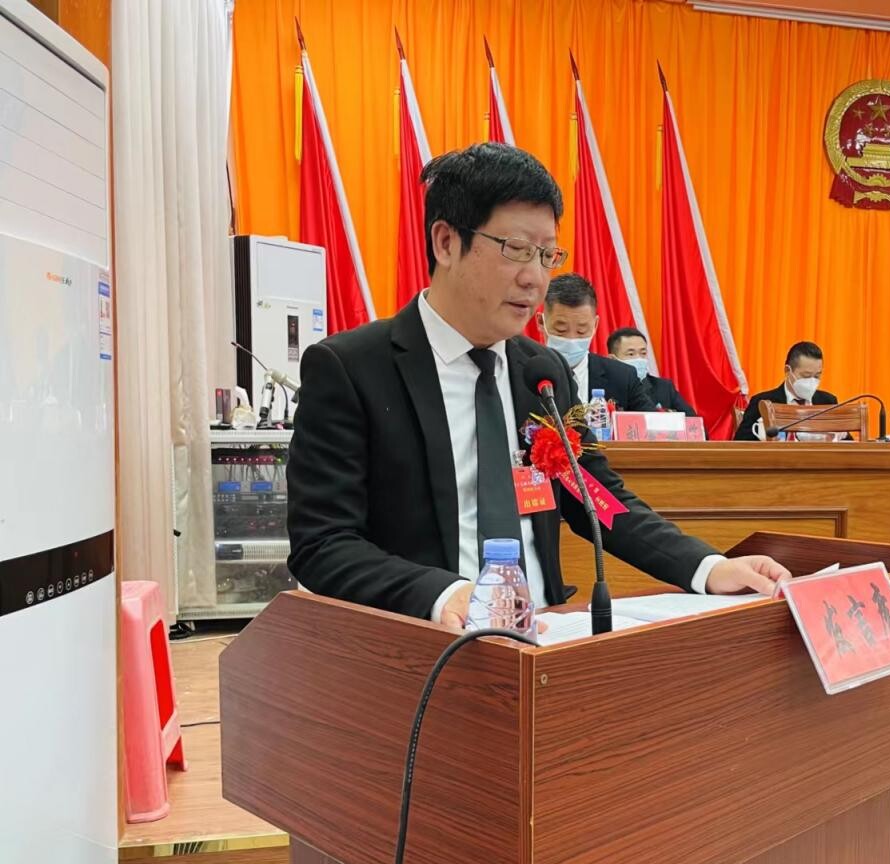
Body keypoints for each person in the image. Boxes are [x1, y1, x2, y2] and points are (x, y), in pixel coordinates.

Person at [286, 142, 789, 627]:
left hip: (546, 635)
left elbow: (594, 496)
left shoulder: (541, 373)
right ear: (446, 242)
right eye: (517, 250)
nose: (535, 279)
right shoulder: (352, 368)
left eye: (547, 255)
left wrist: (706, 566)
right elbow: (323, 544)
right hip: (428, 641)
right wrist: (440, 595)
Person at [535, 273, 655, 412]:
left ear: (595, 325)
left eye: (581, 331)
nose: (571, 339)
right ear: (541, 322)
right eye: (560, 330)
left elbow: (652, 422)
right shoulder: (519, 374)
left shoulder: (623, 376)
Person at [734, 340, 838, 441]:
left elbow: (844, 442)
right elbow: (741, 443)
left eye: (817, 376)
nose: (812, 381)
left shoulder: (828, 402)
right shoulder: (762, 402)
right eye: (806, 376)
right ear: (788, 371)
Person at [606, 326, 697, 416]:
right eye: (631, 354)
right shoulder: (603, 387)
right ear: (612, 359)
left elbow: (693, 421)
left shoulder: (664, 387)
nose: (639, 358)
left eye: (643, 353)